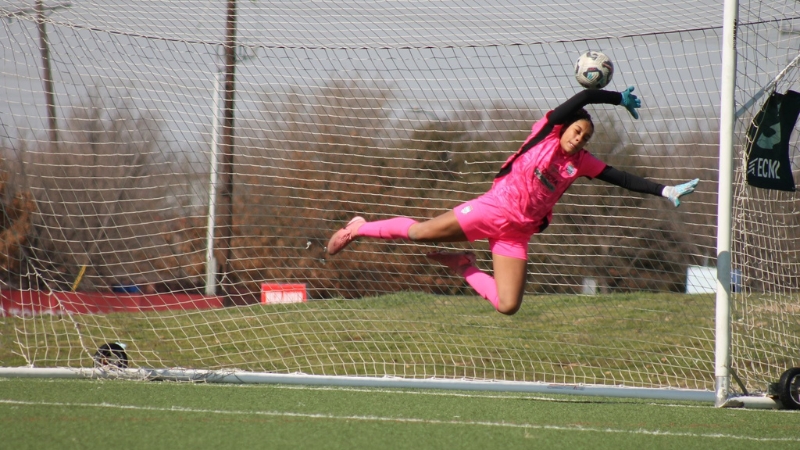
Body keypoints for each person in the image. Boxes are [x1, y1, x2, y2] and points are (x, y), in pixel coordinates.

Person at [327, 87, 699, 315]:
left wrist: (665, 191)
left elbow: (623, 178)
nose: (579, 139)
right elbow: (585, 98)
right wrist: (616, 98)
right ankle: (359, 228)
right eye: (576, 131)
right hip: (491, 209)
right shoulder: (545, 133)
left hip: (516, 234)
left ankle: (465, 267)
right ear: (564, 127)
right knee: (420, 233)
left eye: (585, 137)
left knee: (508, 305)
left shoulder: (580, 163)